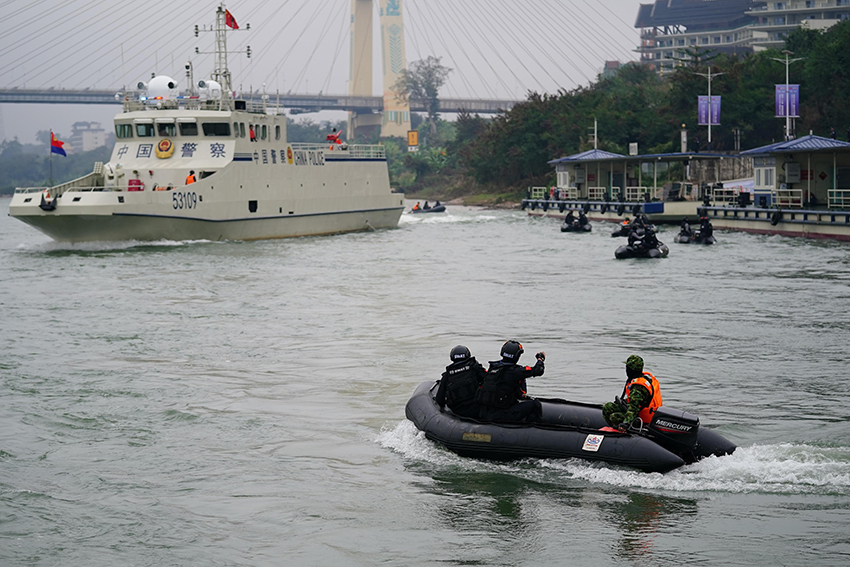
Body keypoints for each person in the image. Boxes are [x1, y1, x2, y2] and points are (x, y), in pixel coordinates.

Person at [476, 340, 545, 423]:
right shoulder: (515, 371)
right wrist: (540, 359)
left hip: (485, 413)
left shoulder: (493, 368)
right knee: (535, 404)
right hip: (501, 415)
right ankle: (531, 430)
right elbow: (538, 370)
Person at [603, 355, 663, 431]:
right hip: (641, 413)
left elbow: (633, 408)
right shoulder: (644, 379)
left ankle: (623, 431)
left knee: (614, 417)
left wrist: (626, 423)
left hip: (641, 420)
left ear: (630, 370)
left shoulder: (638, 387)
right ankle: (617, 428)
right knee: (607, 407)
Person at [434, 345, 487, 419]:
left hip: (459, 413)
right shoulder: (475, 367)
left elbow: (440, 400)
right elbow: (488, 381)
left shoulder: (447, 374)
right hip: (477, 410)